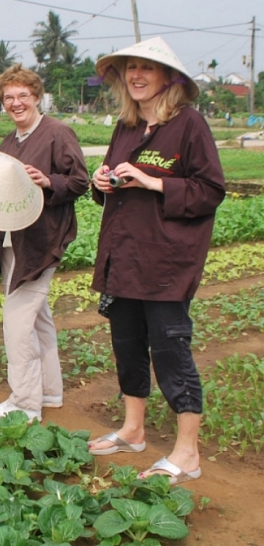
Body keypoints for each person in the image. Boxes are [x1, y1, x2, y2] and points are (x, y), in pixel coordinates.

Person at [88, 37, 225, 486]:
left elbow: (210, 191)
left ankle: (187, 453)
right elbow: (110, 182)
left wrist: (153, 182)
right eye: (130, 68)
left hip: (166, 262)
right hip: (123, 256)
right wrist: (102, 182)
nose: (137, 76)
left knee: (170, 350)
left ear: (169, 77)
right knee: (127, 345)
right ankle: (134, 430)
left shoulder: (189, 125)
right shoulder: (126, 127)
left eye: (147, 68)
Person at [0, 65, 89, 421]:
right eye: (8, 97)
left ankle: (25, 404)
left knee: (17, 323)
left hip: (42, 242)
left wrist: (49, 181)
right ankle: (51, 392)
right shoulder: (10, 141)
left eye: (23, 95)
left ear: (37, 96)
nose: (16, 103)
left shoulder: (57, 133)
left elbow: (80, 181)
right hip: (13, 240)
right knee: (38, 319)